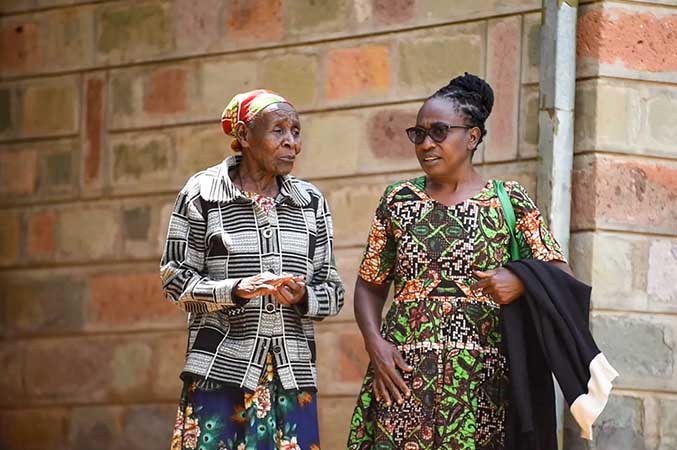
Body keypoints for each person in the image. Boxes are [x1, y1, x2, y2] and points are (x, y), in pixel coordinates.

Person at [346, 73, 570, 450]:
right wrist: (374, 344)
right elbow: (370, 284)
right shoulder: (397, 201)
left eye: (438, 132)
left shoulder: (508, 202)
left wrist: (520, 280)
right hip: (402, 378)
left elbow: (562, 276)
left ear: (472, 137)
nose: (426, 144)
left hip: (482, 387)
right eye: (418, 134)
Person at [161, 89, 344, 450]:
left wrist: (305, 295)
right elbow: (174, 280)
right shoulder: (202, 193)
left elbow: (334, 291)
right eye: (279, 130)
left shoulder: (310, 203)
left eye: (296, 131)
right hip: (219, 374)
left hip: (292, 377)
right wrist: (236, 289)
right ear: (244, 136)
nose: (292, 142)